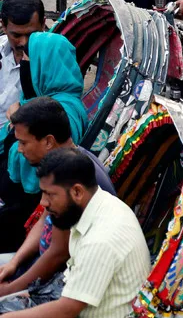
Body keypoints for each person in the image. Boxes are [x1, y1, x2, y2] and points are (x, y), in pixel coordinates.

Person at [0, 148, 150, 318]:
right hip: (78, 311)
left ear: (77, 191)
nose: (43, 203)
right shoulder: (97, 206)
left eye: (49, 194)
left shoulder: (101, 239)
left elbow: (67, 309)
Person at [0, 98, 117, 298]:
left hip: (57, 284)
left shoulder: (72, 179)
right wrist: (14, 262)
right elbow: (43, 221)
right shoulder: (65, 163)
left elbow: (57, 254)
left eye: (23, 142)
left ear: (48, 141)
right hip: (35, 267)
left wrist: (10, 290)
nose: (20, 149)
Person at [1, 32, 87, 255]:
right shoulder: (55, 102)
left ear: (44, 66)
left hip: (21, 219)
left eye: (29, 60)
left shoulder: (49, 115)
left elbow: (28, 195)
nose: (24, 65)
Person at [0, 0, 45, 125]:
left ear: (43, 24)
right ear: (3, 26)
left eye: (31, 34)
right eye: (16, 35)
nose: (24, 43)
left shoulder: (51, 60)